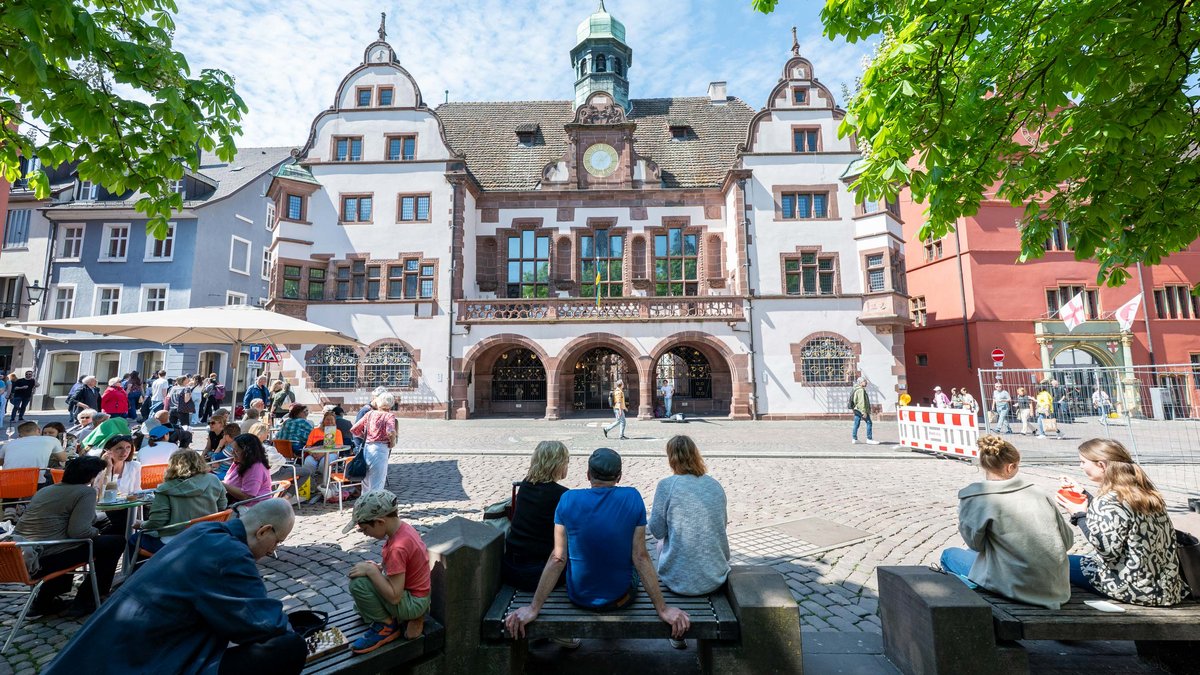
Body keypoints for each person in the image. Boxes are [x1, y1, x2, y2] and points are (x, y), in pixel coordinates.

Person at [42, 498, 305, 674]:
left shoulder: (204, 532)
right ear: (263, 531)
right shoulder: (230, 556)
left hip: (113, 649)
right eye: (277, 543)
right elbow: (265, 625)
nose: (273, 550)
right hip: (145, 661)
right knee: (288, 648)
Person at [504, 448, 691, 643]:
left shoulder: (568, 499)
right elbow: (641, 557)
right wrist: (663, 608)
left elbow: (558, 558)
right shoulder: (633, 497)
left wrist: (533, 608)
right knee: (632, 562)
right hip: (621, 598)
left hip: (578, 595)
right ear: (619, 477)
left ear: (587, 475)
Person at [939, 436, 1073, 608]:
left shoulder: (976, 498)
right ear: (1011, 466)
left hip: (1014, 586)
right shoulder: (1039, 493)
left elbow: (976, 545)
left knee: (949, 555)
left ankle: (972, 605)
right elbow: (1067, 542)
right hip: (1055, 589)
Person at [1057, 439, 1189, 606]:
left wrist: (1079, 515)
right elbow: (1118, 516)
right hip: (1166, 589)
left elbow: (1106, 551)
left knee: (1057, 563)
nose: (1081, 466)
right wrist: (1083, 493)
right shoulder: (1145, 493)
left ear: (1102, 466)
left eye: (1083, 462)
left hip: (1133, 588)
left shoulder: (1107, 501)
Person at [12, 456, 124, 617]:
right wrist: (96, 533)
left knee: (102, 532)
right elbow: (79, 532)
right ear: (92, 476)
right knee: (115, 542)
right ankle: (87, 600)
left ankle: (44, 600)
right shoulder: (85, 491)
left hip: (23, 553)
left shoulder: (46, 489)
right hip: (45, 558)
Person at [649, 436, 730, 646]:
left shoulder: (667, 485)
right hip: (714, 577)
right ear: (696, 454)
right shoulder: (714, 485)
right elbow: (721, 524)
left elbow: (656, 531)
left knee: (660, 544)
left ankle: (676, 635)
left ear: (671, 458)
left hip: (677, 581)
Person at [344, 491, 431, 653]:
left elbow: (395, 596)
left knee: (358, 585)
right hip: (421, 596)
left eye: (364, 530)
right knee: (361, 607)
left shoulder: (397, 548)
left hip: (412, 602)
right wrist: (379, 567)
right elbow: (402, 567)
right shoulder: (404, 529)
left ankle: (386, 627)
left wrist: (371, 571)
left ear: (379, 522)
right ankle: (411, 617)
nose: (364, 534)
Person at [503, 441, 571, 591]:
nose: (567, 465)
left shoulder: (525, 486)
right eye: (567, 461)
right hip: (538, 573)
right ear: (558, 464)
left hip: (511, 568)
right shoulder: (562, 495)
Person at [132, 449, 228, 555]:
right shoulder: (213, 480)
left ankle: (144, 571)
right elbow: (222, 506)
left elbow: (157, 522)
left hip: (174, 542)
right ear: (200, 462)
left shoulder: (165, 489)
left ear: (172, 466)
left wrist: (141, 524)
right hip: (207, 536)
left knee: (134, 539)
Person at [351, 394, 397, 493]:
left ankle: (364, 505)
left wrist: (365, 437)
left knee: (366, 483)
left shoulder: (370, 414)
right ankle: (374, 506)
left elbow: (354, 429)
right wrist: (392, 443)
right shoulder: (389, 416)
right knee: (377, 483)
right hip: (380, 449)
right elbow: (390, 431)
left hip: (367, 448)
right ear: (391, 404)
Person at [0, 420, 67, 479]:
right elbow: (63, 459)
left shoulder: (8, 444)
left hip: (7, 483)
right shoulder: (52, 439)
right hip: (35, 483)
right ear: (39, 430)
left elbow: (1, 462)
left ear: (19, 434)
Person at [224, 433, 273, 504]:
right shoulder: (239, 462)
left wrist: (223, 485)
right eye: (233, 450)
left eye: (236, 451)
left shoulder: (256, 467)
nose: (233, 453)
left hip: (252, 507)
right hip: (234, 500)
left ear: (247, 452)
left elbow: (247, 496)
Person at [849, 376, 880, 445]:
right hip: (861, 410)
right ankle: (869, 439)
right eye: (864, 381)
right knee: (869, 422)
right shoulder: (860, 390)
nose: (866, 383)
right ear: (860, 383)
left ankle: (854, 439)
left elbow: (855, 400)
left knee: (856, 424)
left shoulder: (855, 389)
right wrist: (864, 412)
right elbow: (861, 402)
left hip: (856, 409)